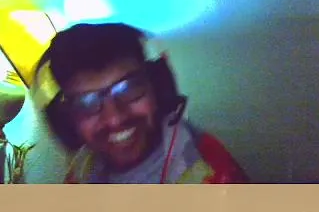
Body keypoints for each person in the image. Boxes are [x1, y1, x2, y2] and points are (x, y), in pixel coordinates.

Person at [31, 22, 248, 184]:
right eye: (87, 103)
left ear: (158, 89)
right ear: (66, 122)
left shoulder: (209, 175)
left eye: (128, 88)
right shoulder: (83, 169)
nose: (115, 118)